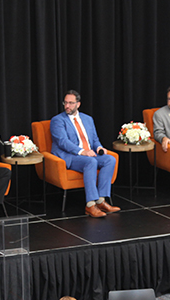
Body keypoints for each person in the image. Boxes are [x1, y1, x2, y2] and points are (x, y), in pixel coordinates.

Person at [50, 90, 120, 218]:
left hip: (89, 154)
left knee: (110, 159)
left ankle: (100, 200)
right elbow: (62, 142)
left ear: (78, 104)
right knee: (91, 161)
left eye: (71, 103)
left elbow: (94, 139)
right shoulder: (57, 120)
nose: (67, 106)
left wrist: (99, 147)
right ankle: (90, 205)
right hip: (71, 156)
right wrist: (83, 152)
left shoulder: (87, 119)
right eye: (65, 103)